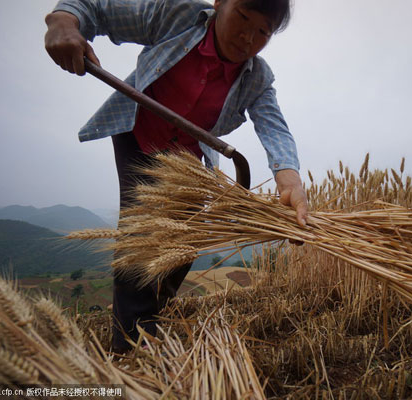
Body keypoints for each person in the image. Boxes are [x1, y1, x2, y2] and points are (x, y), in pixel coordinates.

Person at [44, 0, 308, 353]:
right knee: (141, 240)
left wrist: (289, 182)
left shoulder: (257, 76)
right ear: (219, 4)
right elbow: (99, 8)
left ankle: (153, 311)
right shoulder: (175, 16)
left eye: (263, 31)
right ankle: (131, 350)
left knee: (185, 241)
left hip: (186, 159)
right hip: (139, 134)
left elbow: (274, 126)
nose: (248, 37)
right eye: (242, 17)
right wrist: (63, 22)